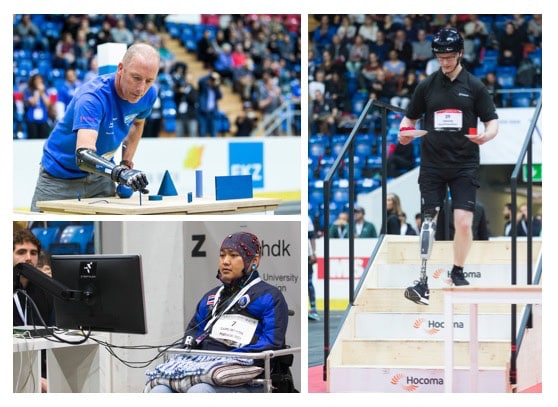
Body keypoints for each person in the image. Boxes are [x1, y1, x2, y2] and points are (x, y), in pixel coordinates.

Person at [398, 28, 499, 305]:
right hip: (432, 164)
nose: (444, 62)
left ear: (460, 54)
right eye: (440, 57)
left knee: (464, 222)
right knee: (428, 222)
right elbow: (408, 121)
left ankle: (457, 271)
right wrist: (403, 134)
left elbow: (492, 122)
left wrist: (486, 136)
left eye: (449, 57)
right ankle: (421, 282)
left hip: (464, 164)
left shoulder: (474, 86)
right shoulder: (427, 86)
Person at [147, 232, 289, 393]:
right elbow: (193, 334)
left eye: (234, 255)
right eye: (222, 255)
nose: (225, 261)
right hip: (205, 369)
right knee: (159, 390)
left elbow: (272, 342)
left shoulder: (270, 296)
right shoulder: (211, 297)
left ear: (254, 261)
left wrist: (227, 359)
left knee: (199, 391)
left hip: (247, 377)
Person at [29, 43, 159, 212]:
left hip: (102, 177)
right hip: (58, 177)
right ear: (121, 68)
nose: (141, 89)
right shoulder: (92, 97)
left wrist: (126, 163)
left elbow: (138, 122)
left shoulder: (149, 94)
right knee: (36, 233)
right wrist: (120, 173)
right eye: (136, 78)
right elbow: (83, 155)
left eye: (149, 81)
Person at [13, 228, 54, 393]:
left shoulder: (44, 291)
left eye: (33, 253)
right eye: (21, 252)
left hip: (38, 368)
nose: (28, 258)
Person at [197, 71, 223, 137]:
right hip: (203, 113)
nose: (212, 81)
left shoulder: (215, 89)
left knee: (214, 132)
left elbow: (220, 96)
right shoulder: (204, 88)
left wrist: (216, 86)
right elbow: (200, 80)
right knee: (202, 132)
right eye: (211, 80)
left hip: (213, 113)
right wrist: (210, 74)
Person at [308, 217, 319, 321]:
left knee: (309, 282)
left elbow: (311, 237)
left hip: (307, 255)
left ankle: (313, 308)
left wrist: (313, 253)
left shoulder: (307, 219)